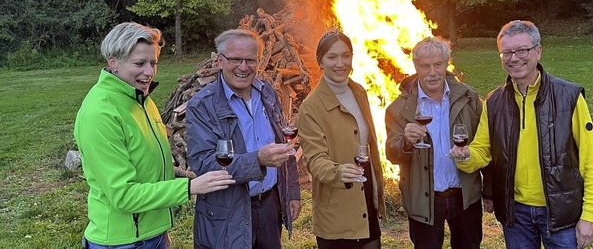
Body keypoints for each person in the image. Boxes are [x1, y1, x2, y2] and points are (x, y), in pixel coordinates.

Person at [74, 22, 235, 249]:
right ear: (113, 62)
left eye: (153, 63)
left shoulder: (139, 98)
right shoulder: (100, 113)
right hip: (124, 242)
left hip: (153, 234)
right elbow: (123, 196)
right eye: (139, 63)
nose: (149, 72)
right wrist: (189, 187)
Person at [449, 20, 593, 249]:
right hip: (516, 215)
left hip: (561, 213)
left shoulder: (568, 97)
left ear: (538, 51)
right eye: (506, 53)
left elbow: (590, 159)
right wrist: (465, 157)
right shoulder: (494, 101)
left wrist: (590, 214)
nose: (514, 58)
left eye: (522, 50)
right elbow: (483, 150)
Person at [185, 28, 301, 249]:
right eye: (235, 59)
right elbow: (204, 165)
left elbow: (285, 146)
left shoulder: (267, 93)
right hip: (228, 212)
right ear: (220, 61)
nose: (243, 67)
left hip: (269, 207)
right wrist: (258, 159)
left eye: (250, 60)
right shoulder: (202, 105)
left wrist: (292, 192)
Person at [385, 36, 490, 249]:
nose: (432, 72)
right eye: (425, 66)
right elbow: (392, 155)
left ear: (446, 63)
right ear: (416, 66)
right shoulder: (399, 109)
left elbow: (486, 145)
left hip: (464, 195)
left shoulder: (469, 99)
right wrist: (405, 141)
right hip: (425, 199)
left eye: (437, 65)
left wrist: (489, 191)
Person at [297, 28, 386, 249]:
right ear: (320, 62)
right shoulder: (311, 107)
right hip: (337, 205)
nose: (340, 63)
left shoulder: (359, 92)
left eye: (345, 55)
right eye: (332, 57)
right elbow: (315, 160)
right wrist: (338, 172)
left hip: (366, 201)